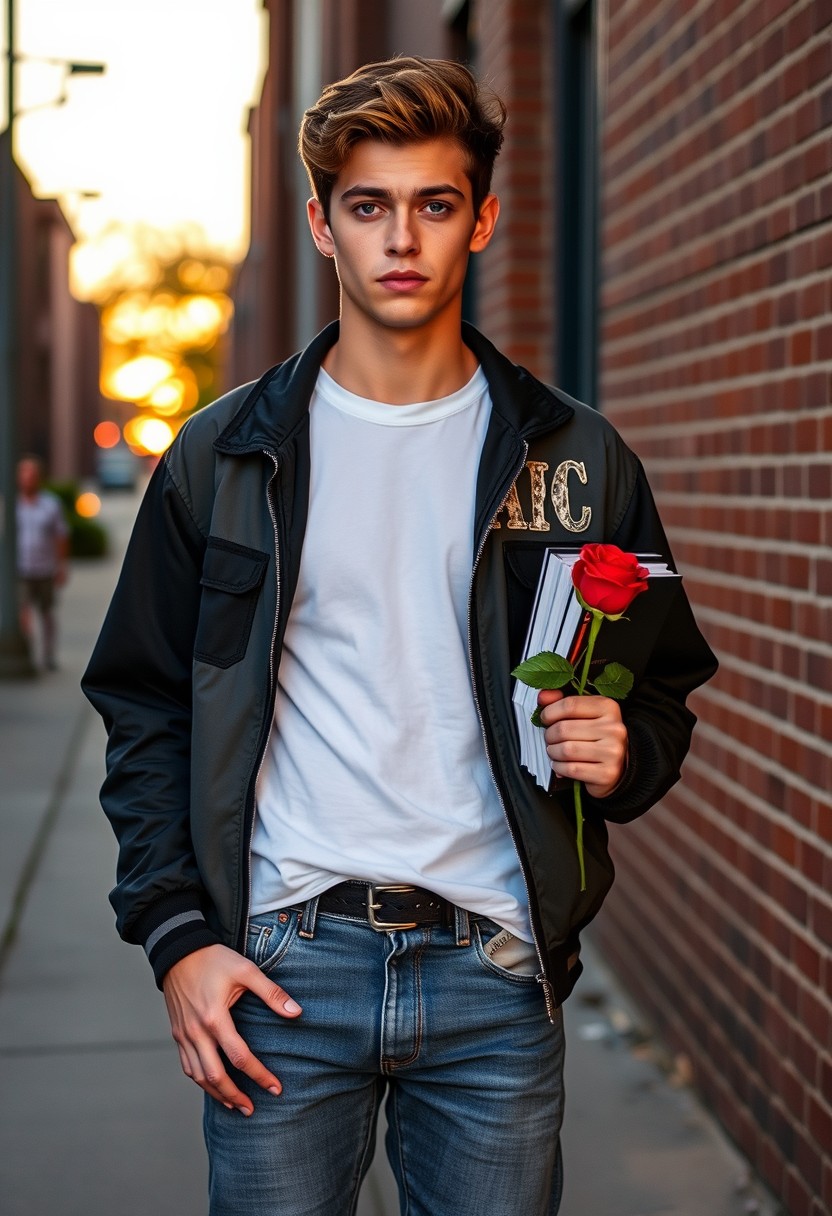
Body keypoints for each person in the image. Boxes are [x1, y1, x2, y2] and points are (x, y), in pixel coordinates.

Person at [82, 56, 718, 1215]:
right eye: (368, 207)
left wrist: (627, 751)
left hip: (496, 968)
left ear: (480, 220)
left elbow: (663, 679)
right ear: (322, 225)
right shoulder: (222, 460)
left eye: (433, 204)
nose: (401, 239)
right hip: (281, 965)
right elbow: (145, 702)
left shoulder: (574, 458)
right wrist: (177, 937)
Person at [17, 455, 69, 671]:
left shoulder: (50, 504)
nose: (28, 479)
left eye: (32, 475)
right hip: (20, 569)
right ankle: (26, 652)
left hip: (45, 568)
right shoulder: (11, 504)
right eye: (24, 474)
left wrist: (62, 566)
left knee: (46, 612)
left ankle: (48, 653)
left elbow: (61, 536)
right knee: (23, 612)